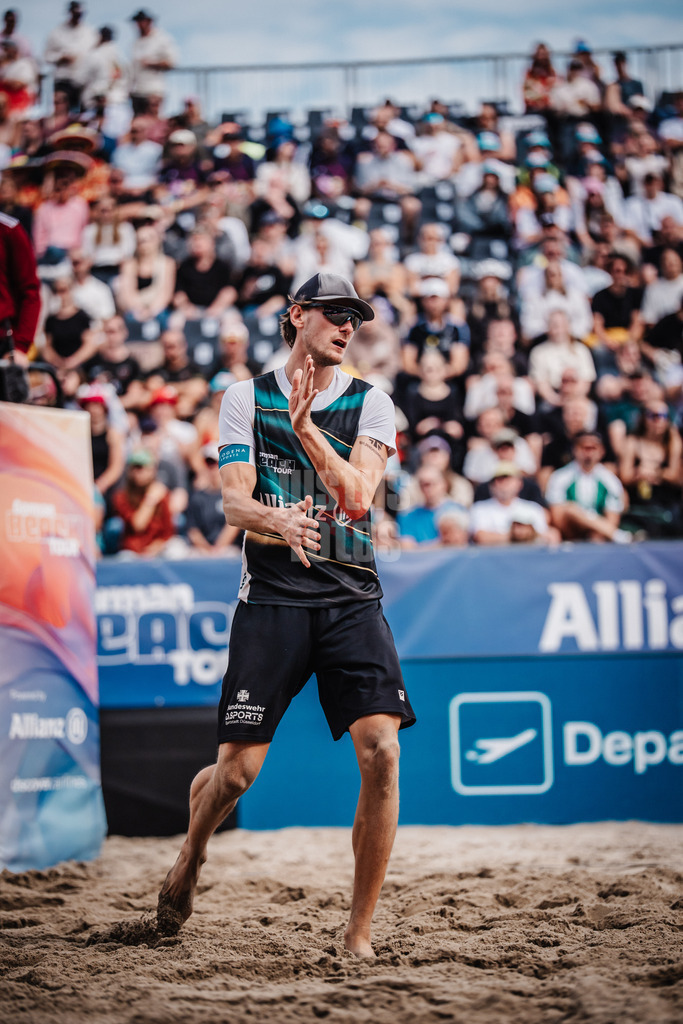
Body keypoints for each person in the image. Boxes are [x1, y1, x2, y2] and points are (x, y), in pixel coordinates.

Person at [157, 272, 416, 957]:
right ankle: (189, 859)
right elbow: (233, 505)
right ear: (297, 315)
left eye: (353, 318)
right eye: (334, 314)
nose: (346, 326)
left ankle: (357, 934)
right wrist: (278, 519)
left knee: (382, 751)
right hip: (271, 598)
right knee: (236, 776)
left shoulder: (371, 402)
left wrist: (305, 432)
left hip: (350, 596)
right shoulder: (244, 397)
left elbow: (357, 498)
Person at [545, 429, 632, 542]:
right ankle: (617, 535)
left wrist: (596, 529)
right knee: (571, 509)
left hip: (597, 535)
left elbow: (612, 518)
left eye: (593, 448)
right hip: (570, 533)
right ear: (574, 450)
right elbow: (557, 517)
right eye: (584, 448)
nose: (588, 453)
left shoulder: (610, 481)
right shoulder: (560, 477)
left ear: (602, 451)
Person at [470, 461, 549, 545]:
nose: (503, 483)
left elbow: (548, 536)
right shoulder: (479, 509)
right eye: (498, 479)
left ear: (519, 483)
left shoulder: (533, 508)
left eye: (507, 478)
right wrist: (518, 536)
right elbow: (480, 537)